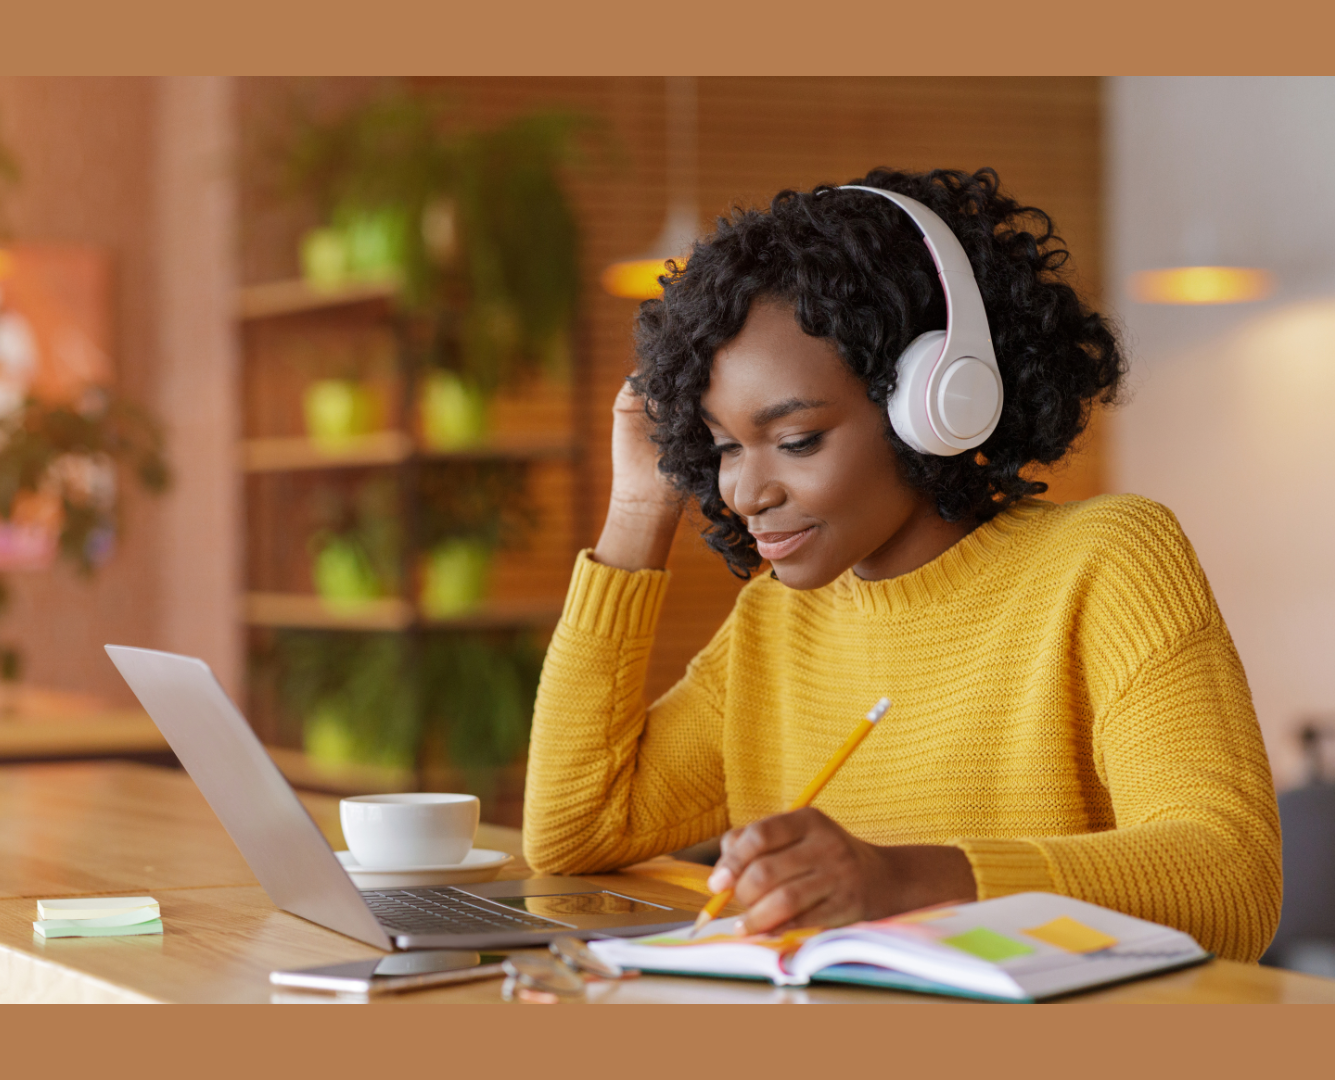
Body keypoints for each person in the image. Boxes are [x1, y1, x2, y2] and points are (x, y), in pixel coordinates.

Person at [521, 167, 1281, 963]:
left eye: (797, 440)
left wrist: (906, 882)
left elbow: (1231, 880)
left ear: (935, 403)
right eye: (721, 448)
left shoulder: (1107, 563)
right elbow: (575, 831)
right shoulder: (776, 619)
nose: (746, 490)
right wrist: (641, 509)